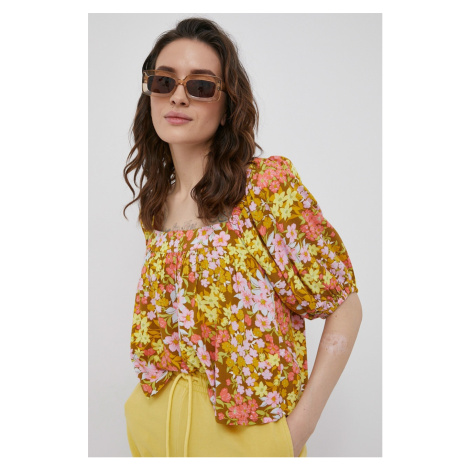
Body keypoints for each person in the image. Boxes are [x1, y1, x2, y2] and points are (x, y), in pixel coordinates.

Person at [122, 17, 362, 458]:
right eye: (163, 81)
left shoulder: (265, 187)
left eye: (201, 86)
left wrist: (294, 433)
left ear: (228, 103)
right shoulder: (156, 205)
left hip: (247, 436)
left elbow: (345, 306)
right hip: (151, 427)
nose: (178, 96)